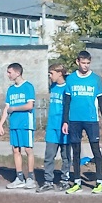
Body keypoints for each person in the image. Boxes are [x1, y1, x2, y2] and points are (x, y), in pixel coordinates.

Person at [62, 50, 102, 194]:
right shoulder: (70, 79)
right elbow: (67, 102)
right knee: (75, 151)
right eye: (83, 63)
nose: (86, 66)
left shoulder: (95, 79)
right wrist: (65, 121)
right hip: (74, 120)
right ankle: (77, 182)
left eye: (88, 63)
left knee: (96, 150)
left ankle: (99, 182)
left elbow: (101, 102)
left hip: (91, 120)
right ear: (77, 62)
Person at [0, 62, 37, 190]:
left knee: (28, 150)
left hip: (26, 123)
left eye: (10, 72)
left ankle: (30, 177)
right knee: (15, 150)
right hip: (14, 124)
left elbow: (29, 105)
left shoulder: (28, 86)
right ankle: (19, 177)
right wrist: (1, 123)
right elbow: (7, 107)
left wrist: (15, 108)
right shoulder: (11, 89)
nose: (8, 75)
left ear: (18, 72)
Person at [39, 63, 69, 191]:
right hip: (52, 126)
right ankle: (48, 181)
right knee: (49, 156)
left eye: (51, 73)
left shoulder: (68, 87)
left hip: (64, 126)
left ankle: (65, 180)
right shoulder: (53, 86)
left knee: (66, 156)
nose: (50, 76)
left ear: (60, 73)